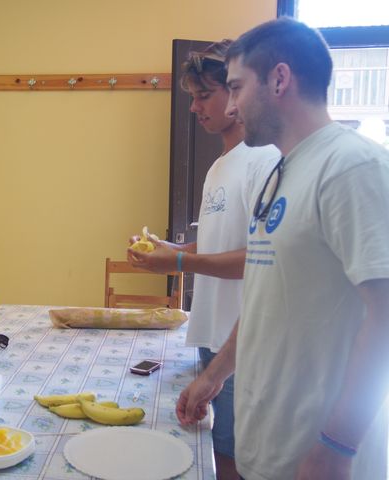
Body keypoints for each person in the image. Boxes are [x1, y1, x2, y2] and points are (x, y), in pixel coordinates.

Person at [176, 18, 389, 480]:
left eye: (235, 87)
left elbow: (385, 315)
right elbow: (264, 298)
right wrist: (215, 376)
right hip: (268, 444)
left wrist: (336, 445)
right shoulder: (281, 174)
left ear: (279, 79)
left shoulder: (353, 167)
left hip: (320, 455)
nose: (231, 105)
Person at [128, 40, 279, 480]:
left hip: (244, 343)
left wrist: (178, 266)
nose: (194, 108)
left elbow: (261, 259)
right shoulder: (219, 165)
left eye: (203, 95)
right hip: (211, 333)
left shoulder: (263, 160)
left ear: (236, 94)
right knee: (213, 448)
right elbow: (216, 242)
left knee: (233, 458)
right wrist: (167, 251)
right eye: (192, 97)